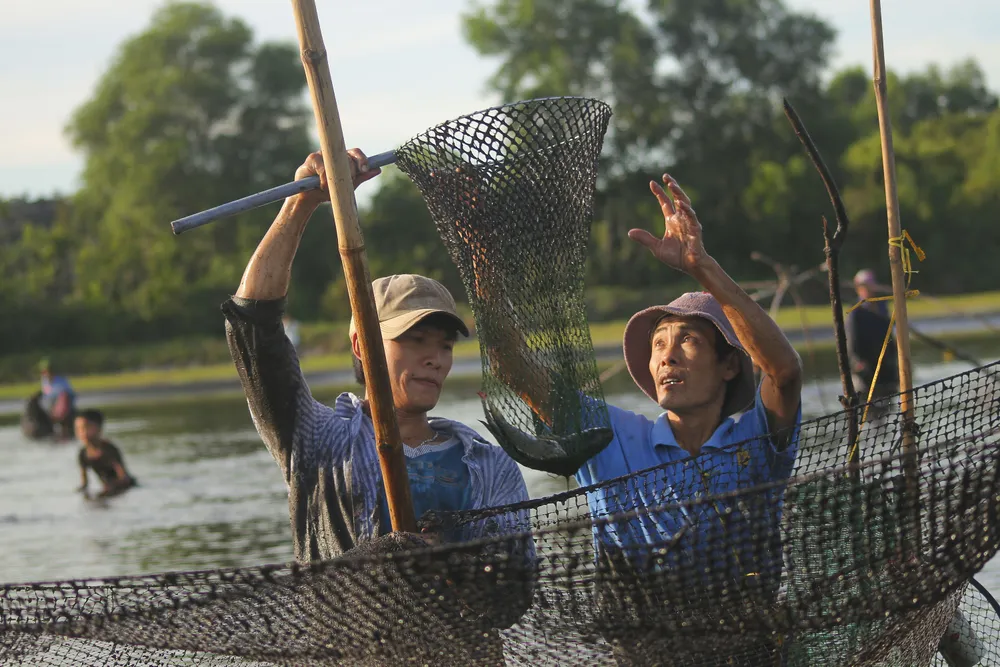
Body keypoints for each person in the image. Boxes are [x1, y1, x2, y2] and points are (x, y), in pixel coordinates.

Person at [222, 149, 534, 659]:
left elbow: (515, 593)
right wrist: (301, 205)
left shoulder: (485, 461)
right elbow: (252, 327)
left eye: (444, 344)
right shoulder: (319, 439)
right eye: (414, 341)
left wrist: (451, 562)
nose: (434, 358)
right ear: (362, 344)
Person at [491, 174, 803, 665]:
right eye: (659, 344)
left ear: (728, 366)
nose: (666, 357)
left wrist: (702, 267)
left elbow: (783, 372)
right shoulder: (611, 436)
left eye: (687, 341)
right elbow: (513, 365)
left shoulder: (756, 442)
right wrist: (482, 255)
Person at [847, 268, 898, 406]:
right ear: (858, 288)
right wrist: (858, 363)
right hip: (866, 372)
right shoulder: (856, 312)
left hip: (885, 369)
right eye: (865, 287)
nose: (868, 290)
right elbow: (852, 343)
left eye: (870, 286)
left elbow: (889, 337)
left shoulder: (882, 307)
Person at [75, 409, 137, 498]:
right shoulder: (83, 454)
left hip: (125, 488)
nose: (82, 433)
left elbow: (124, 477)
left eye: (86, 427)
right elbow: (85, 483)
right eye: (78, 429)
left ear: (99, 428)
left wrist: (110, 488)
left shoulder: (108, 449)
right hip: (108, 489)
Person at [39, 358, 76, 439]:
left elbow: (69, 396)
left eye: (48, 371)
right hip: (50, 409)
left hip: (64, 409)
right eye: (44, 372)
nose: (46, 374)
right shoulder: (44, 381)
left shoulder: (61, 381)